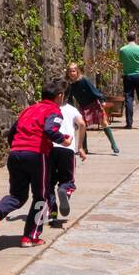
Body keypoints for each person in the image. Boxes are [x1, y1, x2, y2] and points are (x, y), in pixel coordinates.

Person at [0, 81, 71, 247]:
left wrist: (17, 148)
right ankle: (30, 237)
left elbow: (12, 132)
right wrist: (64, 140)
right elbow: (50, 130)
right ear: (59, 96)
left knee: (17, 195)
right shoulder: (54, 110)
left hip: (15, 153)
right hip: (37, 155)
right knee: (43, 197)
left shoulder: (29, 109)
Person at [47, 96, 87, 224]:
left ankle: (52, 212)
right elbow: (82, 124)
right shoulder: (72, 109)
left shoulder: (47, 108)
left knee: (48, 183)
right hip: (67, 148)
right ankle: (64, 190)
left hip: (50, 148)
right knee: (67, 180)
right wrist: (80, 147)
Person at [64, 62, 105, 152]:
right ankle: (84, 147)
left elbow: (94, 90)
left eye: (73, 71)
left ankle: (113, 144)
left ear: (77, 71)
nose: (72, 73)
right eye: (70, 71)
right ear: (67, 73)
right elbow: (70, 98)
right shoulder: (70, 85)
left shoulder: (84, 80)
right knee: (82, 125)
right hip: (83, 106)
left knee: (103, 123)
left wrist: (101, 100)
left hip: (93, 103)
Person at [119, 31, 139, 129]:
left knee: (129, 99)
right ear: (135, 38)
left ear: (127, 38)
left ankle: (129, 123)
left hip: (128, 75)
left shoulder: (123, 50)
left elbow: (121, 61)